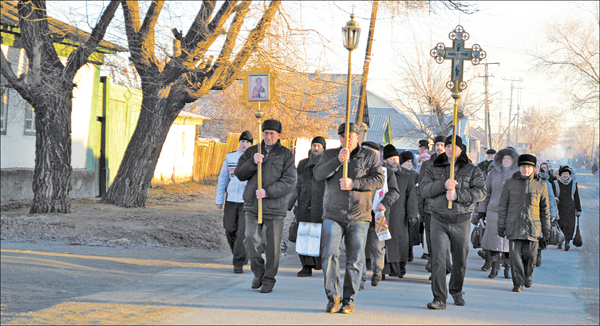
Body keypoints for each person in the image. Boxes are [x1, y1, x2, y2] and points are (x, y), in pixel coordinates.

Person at [314, 122, 384, 314]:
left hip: (359, 215)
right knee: (329, 255)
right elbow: (318, 175)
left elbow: (378, 180)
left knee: (355, 259)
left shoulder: (369, 156)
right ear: (340, 138)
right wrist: (337, 160)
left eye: (351, 136)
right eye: (344, 136)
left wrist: (354, 183)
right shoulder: (329, 154)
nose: (348, 139)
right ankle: (333, 297)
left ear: (357, 137)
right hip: (333, 213)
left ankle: (349, 300)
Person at [420, 135, 486, 309]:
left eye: (454, 146)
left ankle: (456, 290)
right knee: (438, 259)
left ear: (460, 149)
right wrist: (443, 185)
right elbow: (425, 190)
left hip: (461, 219)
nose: (450, 149)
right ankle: (439, 298)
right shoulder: (433, 167)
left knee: (460, 259)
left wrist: (458, 195)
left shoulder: (472, 169)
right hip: (438, 219)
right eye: (447, 146)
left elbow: (481, 192)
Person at [235, 119, 297, 293]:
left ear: (279, 135)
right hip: (253, 204)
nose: (268, 136)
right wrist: (252, 162)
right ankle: (259, 272)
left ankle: (269, 279)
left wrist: (268, 192)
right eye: (266, 133)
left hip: (275, 206)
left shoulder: (286, 155)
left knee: (272, 246)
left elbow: (290, 182)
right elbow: (239, 174)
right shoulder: (253, 151)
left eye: (272, 133)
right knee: (250, 240)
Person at [497, 154, 551, 292]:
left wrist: (547, 229)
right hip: (513, 226)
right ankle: (517, 283)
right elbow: (503, 206)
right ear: (519, 167)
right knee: (515, 258)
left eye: (529, 167)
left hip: (533, 227)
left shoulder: (541, 185)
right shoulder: (510, 183)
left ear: (533, 168)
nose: (525, 169)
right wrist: (501, 225)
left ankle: (528, 275)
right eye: (523, 166)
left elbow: (545, 209)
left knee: (530, 256)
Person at [359, 141, 399, 289]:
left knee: (377, 248)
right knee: (358, 248)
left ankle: (377, 271)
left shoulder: (386, 172)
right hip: (359, 215)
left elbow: (394, 191)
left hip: (378, 216)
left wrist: (385, 203)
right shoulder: (357, 170)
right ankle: (360, 278)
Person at [476, 147, 519, 279]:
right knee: (493, 242)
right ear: (500, 160)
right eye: (504, 158)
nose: (506, 161)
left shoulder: (517, 174)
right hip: (493, 211)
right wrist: (481, 212)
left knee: (508, 242)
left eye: (509, 158)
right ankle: (494, 267)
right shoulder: (493, 173)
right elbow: (486, 192)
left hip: (511, 212)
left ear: (513, 160)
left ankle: (508, 268)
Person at [287, 136, 327, 277]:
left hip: (321, 207)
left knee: (318, 236)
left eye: (319, 146)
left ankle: (319, 263)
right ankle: (306, 266)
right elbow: (296, 185)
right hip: (304, 205)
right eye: (314, 145)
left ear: (323, 148)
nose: (316, 148)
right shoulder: (303, 164)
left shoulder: (327, 165)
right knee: (303, 236)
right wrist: (289, 204)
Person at [215, 131, 254, 273]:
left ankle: (238, 262)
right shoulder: (230, 157)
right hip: (231, 199)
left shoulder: (253, 159)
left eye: (248, 142)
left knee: (241, 233)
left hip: (246, 201)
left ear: (251, 144)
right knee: (230, 230)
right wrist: (219, 199)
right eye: (242, 141)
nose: (244, 144)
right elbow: (223, 179)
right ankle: (240, 255)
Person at [417, 135, 451, 274]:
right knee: (431, 238)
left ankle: (443, 264)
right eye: (437, 145)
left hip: (446, 207)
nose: (439, 147)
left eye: (442, 145)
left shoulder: (451, 163)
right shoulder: (427, 164)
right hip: (429, 207)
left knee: (444, 239)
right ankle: (432, 261)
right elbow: (421, 187)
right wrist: (420, 208)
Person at [552, 165, 582, 251]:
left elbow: (576, 197)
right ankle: (559, 241)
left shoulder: (574, 184)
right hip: (559, 208)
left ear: (569, 175)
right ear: (560, 175)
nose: (565, 175)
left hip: (570, 209)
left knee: (569, 226)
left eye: (567, 174)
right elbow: (552, 196)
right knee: (559, 225)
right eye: (563, 174)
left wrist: (578, 209)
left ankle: (567, 242)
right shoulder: (555, 183)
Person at [400, 151, 421, 263]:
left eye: (411, 161)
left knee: (411, 230)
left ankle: (410, 250)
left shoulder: (414, 175)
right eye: (407, 161)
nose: (410, 164)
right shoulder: (396, 174)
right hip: (400, 206)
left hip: (412, 205)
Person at [535, 163, 558, 267]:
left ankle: (538, 253)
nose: (534, 170)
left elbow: (551, 198)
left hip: (542, 213)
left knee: (540, 235)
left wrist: (553, 214)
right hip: (529, 212)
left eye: (536, 168)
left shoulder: (545, 181)